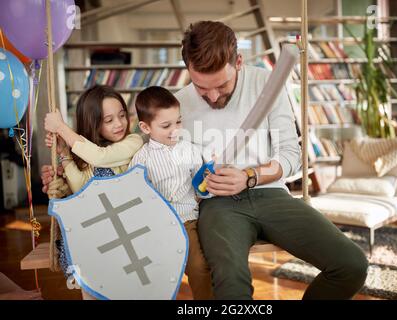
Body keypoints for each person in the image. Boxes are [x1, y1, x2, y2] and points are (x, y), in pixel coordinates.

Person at [173, 20, 369, 300]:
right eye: (202, 87)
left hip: (271, 196)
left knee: (351, 265)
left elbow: (292, 156)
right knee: (231, 284)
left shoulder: (266, 83)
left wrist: (250, 176)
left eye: (221, 85)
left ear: (238, 61)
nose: (213, 96)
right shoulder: (175, 106)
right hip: (218, 205)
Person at [42, 85, 144, 299]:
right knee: (94, 290)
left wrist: (62, 128)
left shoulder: (132, 142)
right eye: (109, 120)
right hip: (95, 234)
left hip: (124, 231)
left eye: (122, 115)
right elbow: (80, 188)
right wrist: (63, 152)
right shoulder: (86, 153)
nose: (119, 124)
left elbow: (101, 156)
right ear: (92, 123)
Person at [128, 86, 213, 300]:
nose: (175, 130)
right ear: (145, 127)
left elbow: (200, 188)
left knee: (199, 266)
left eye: (178, 122)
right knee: (158, 273)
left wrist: (207, 182)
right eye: (166, 125)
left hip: (187, 220)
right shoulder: (141, 159)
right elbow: (134, 198)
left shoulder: (191, 150)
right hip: (155, 227)